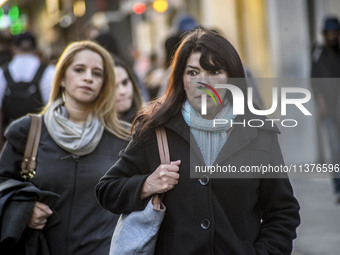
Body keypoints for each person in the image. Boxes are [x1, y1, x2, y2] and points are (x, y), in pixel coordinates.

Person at [96, 28, 300, 254]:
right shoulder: (155, 130)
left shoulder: (259, 132)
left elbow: (282, 212)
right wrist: (146, 184)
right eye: (192, 73)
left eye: (214, 72)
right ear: (180, 79)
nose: (203, 82)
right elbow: (107, 190)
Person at [0, 40, 130, 254]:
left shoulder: (123, 137)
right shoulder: (28, 130)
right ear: (61, 77)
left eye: (97, 74)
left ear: (104, 85)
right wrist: (23, 210)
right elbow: (3, 184)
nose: (88, 77)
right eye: (79, 70)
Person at [0, 31, 55, 148]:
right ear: (36, 49)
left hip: (9, 144)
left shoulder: (1, 74)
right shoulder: (49, 73)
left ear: (13, 49)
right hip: (41, 144)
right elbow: (53, 110)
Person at [311, 16, 340, 203]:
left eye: (335, 33)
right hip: (329, 109)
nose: (332, 36)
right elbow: (314, 79)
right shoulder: (318, 53)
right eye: (329, 33)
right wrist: (320, 101)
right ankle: (338, 187)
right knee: (335, 148)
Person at [114, 57, 143, 123]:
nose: (122, 91)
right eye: (114, 87)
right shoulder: (95, 131)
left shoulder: (150, 121)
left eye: (125, 82)